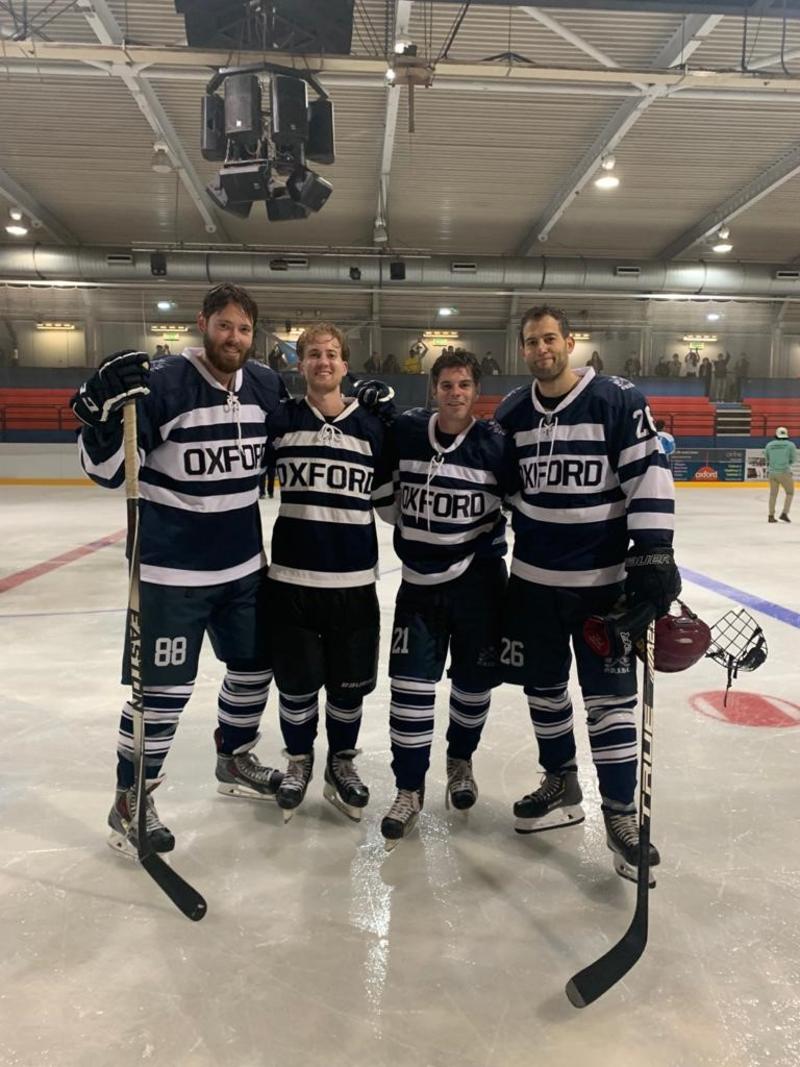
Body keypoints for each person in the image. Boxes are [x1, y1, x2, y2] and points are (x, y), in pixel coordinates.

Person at [71, 283, 288, 858]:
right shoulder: (163, 382)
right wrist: (96, 415)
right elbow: (110, 470)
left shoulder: (266, 385)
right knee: (161, 694)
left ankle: (235, 757)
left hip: (243, 567)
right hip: (170, 573)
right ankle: (130, 800)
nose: (233, 337)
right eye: (224, 326)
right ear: (203, 324)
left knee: (254, 668)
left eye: (244, 328)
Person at [495, 304, 680, 884]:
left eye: (550, 339)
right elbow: (498, 490)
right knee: (544, 690)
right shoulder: (512, 412)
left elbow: (648, 476)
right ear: (522, 349)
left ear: (569, 342)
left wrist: (653, 554)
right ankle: (561, 782)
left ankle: (622, 816)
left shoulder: (618, 401)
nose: (541, 349)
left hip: (603, 589)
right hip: (533, 584)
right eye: (531, 341)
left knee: (609, 702)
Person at [372, 351, 517, 848]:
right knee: (409, 689)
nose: (455, 393)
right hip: (418, 584)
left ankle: (460, 761)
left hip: (480, 585)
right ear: (433, 388)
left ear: (476, 392)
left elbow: (524, 507)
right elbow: (384, 497)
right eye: (447, 385)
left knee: (474, 685)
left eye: (464, 385)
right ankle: (408, 789)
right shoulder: (408, 431)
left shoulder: (496, 445)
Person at [264, 323, 389, 821]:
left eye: (332, 354)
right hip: (291, 582)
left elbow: (392, 501)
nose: (323, 362)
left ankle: (341, 764)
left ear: (345, 365)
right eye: (313, 354)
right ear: (300, 365)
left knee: (347, 688)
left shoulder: (373, 427)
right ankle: (298, 761)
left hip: (354, 583)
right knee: (295, 687)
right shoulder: (281, 420)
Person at [765, 426, 797, 524]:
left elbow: (767, 458)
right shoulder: (790, 445)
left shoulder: (769, 445)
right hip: (784, 472)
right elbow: (793, 459)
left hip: (772, 472)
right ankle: (784, 513)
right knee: (790, 493)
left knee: (773, 494)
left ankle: (771, 516)